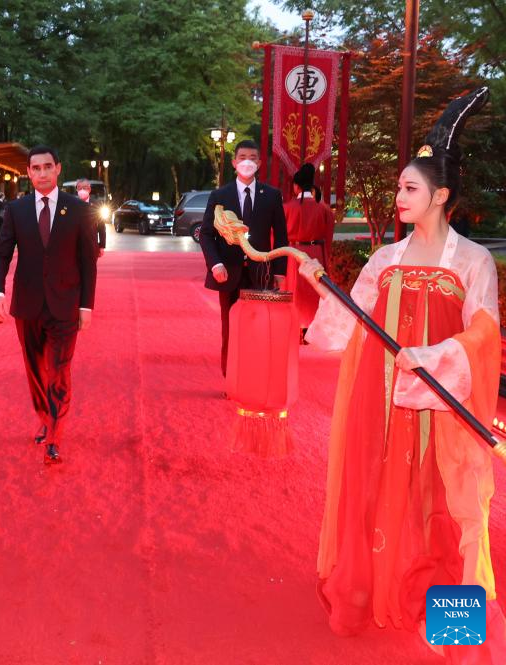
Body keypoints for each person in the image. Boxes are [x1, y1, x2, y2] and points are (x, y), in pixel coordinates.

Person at [299, 87, 506, 662]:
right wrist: (322, 284)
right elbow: (350, 323)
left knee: (447, 505)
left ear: (441, 196)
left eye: (409, 189)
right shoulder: (385, 259)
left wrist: (435, 355)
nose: (399, 198)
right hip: (381, 402)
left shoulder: (473, 261)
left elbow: (484, 332)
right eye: (398, 188)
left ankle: (452, 624)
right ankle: (365, 593)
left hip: (443, 405)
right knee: (378, 495)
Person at [0, 145, 97, 465]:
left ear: (58, 169)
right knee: (36, 371)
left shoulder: (78, 209)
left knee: (60, 371)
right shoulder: (16, 210)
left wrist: (86, 306)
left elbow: (88, 260)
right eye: (35, 168)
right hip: (28, 304)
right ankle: (44, 417)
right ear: (28, 173)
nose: (42, 173)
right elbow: (1, 254)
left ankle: (54, 435)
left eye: (47, 167)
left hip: (66, 304)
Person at [199, 139, 288, 377]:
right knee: (230, 327)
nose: (247, 162)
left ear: (259, 163)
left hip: (261, 272)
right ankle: (231, 377)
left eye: (252, 158)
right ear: (234, 162)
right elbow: (206, 234)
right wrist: (216, 264)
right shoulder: (220, 195)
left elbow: (281, 236)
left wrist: (280, 272)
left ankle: (253, 376)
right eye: (242, 157)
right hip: (228, 272)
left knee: (258, 327)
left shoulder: (272, 195)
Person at [283, 164, 335, 337]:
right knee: (314, 290)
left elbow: (277, 236)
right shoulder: (324, 208)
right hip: (316, 253)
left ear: (296, 186)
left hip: (294, 253)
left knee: (295, 290)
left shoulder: (287, 207)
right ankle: (312, 328)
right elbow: (328, 236)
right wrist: (325, 255)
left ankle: (294, 327)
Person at [75, 178, 105, 258]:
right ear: (76, 189)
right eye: (79, 188)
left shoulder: (96, 204)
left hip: (92, 245)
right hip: (75, 246)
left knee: (90, 265)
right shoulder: (71, 204)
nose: (82, 190)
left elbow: (101, 226)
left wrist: (102, 246)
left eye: (84, 188)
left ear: (89, 189)